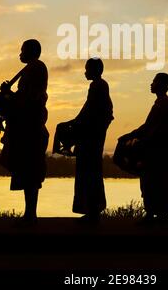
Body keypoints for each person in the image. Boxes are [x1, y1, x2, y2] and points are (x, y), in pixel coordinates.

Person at [0, 39, 49, 224]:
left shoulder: (36, 68)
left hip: (30, 127)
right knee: (27, 170)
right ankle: (29, 214)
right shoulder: (32, 68)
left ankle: (30, 214)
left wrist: (9, 95)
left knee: (30, 171)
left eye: (22, 51)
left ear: (31, 51)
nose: (20, 54)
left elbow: (29, 98)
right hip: (26, 125)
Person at [128, 73, 168, 224]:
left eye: (154, 81)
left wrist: (141, 139)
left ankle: (161, 213)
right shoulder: (158, 104)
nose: (151, 84)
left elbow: (158, 129)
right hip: (153, 149)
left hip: (161, 150)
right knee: (149, 182)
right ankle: (151, 212)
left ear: (163, 84)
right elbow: (148, 126)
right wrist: (131, 134)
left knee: (160, 182)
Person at [71, 58, 113, 223]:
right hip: (93, 135)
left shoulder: (98, 86)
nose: (85, 72)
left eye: (87, 69)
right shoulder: (100, 86)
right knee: (92, 171)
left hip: (91, 136)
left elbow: (89, 110)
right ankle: (92, 210)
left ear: (95, 70)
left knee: (89, 171)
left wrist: (75, 124)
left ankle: (93, 211)